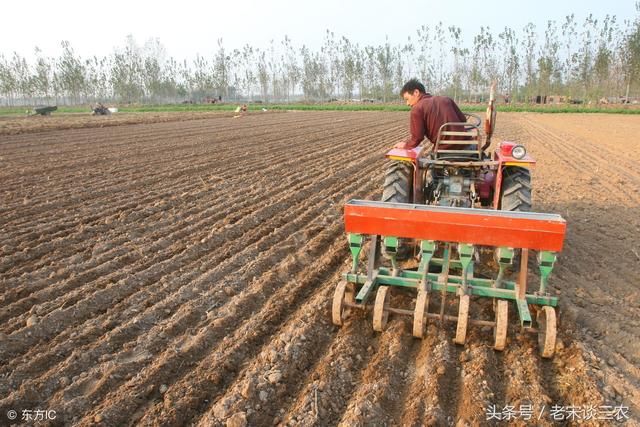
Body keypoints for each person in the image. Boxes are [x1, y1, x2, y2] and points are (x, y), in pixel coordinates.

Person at [394, 79, 468, 151]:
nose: (407, 104)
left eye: (407, 99)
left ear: (416, 92)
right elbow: (463, 120)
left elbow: (417, 137)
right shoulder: (447, 99)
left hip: (445, 151)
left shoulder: (417, 108)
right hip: (468, 145)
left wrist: (406, 145)